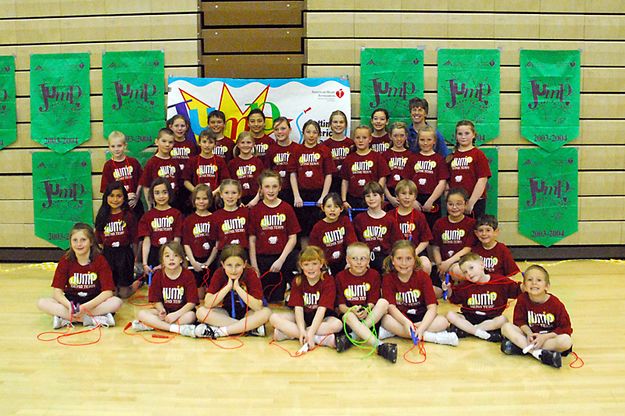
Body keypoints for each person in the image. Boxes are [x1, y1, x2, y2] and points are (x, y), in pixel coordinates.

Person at [37, 223, 122, 328]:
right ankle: (93, 319)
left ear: (91, 241)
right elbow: (57, 292)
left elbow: (107, 293)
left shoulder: (100, 260)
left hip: (93, 302)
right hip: (72, 302)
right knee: (42, 303)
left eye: (83, 240)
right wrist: (69, 306)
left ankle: (66, 319)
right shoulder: (65, 260)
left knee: (117, 302)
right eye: (75, 240)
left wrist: (85, 308)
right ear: (70, 242)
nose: (79, 244)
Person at [379, 240, 458, 346]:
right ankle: (432, 337)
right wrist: (406, 323)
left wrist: (421, 327)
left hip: (421, 318)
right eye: (399, 259)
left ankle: (398, 332)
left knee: (443, 322)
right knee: (385, 320)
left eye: (408, 259)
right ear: (393, 260)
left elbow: (432, 308)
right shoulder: (388, 278)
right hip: (400, 318)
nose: (404, 263)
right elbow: (391, 307)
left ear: (414, 260)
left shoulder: (423, 277)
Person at [334, 242, 397, 363]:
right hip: (351, 315)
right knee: (349, 316)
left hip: (369, 316)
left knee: (383, 302)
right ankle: (379, 346)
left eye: (363, 259)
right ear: (347, 260)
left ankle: (353, 336)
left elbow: (374, 300)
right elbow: (341, 305)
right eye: (354, 259)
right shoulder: (340, 277)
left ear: (368, 260)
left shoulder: (374, 275)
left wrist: (367, 309)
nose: (359, 262)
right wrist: (350, 310)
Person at [501, 265, 573, 369]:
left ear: (547, 286)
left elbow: (565, 328)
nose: (534, 283)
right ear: (524, 286)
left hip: (548, 338)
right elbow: (519, 321)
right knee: (505, 327)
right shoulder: (522, 299)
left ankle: (519, 348)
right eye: (530, 280)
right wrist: (529, 333)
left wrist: (544, 337)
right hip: (529, 337)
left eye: (539, 280)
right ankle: (539, 354)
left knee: (566, 341)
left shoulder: (556, 304)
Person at [269, 246, 342, 349]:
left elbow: (322, 309)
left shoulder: (328, 281)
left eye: (314, 264)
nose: (310, 268)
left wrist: (310, 332)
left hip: (322, 319)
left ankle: (291, 334)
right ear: (301, 266)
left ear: (321, 264)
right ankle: (318, 338)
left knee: (337, 325)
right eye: (306, 264)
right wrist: (302, 330)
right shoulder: (298, 281)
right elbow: (298, 308)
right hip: (303, 319)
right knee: (273, 318)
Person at [195, 245, 272, 338]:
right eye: (229, 265)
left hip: (248, 314)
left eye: (238, 265)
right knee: (201, 312)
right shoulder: (219, 273)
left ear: (244, 264)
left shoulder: (251, 274)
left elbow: (257, 306)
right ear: (223, 265)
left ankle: (223, 331)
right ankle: (248, 328)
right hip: (226, 315)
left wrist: (238, 288)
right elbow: (208, 303)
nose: (233, 270)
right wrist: (228, 287)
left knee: (266, 312)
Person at [443, 252, 521, 343]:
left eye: (471, 268)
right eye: (465, 272)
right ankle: (480, 333)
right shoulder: (464, 286)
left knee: (503, 320)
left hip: (491, 319)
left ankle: (469, 330)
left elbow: (517, 290)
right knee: (450, 315)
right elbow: (454, 299)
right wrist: (448, 290)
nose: (469, 273)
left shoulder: (500, 281)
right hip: (469, 318)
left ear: (482, 265)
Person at [249, 170, 301, 303]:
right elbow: (252, 240)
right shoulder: (255, 211)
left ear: (280, 187)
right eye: (267, 187)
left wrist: (281, 260)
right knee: (263, 299)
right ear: (261, 189)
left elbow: (293, 238)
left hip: (282, 258)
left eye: (274, 186)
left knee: (278, 300)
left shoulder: (287, 208)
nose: (271, 190)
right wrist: (254, 266)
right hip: (263, 259)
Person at [131, 241, 199, 337]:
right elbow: (155, 299)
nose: (171, 259)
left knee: (191, 316)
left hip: (182, 312)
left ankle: (155, 326)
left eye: (175, 255)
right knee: (142, 314)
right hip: (165, 312)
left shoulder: (188, 275)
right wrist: (161, 309)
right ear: (162, 260)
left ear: (181, 259)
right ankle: (174, 328)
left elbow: (192, 303)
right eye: (167, 256)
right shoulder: (158, 275)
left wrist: (176, 314)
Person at [94, 181, 140, 299]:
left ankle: (137, 282)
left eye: (119, 196)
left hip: (124, 254)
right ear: (106, 197)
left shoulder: (128, 216)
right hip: (108, 254)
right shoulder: (102, 215)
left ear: (124, 198)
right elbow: (98, 238)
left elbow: (135, 239)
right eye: (111, 196)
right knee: (112, 294)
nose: (115, 199)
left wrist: (135, 259)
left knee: (123, 294)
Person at [291, 120, 335, 240]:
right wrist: (296, 196)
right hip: (301, 194)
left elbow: (328, 174)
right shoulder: (296, 150)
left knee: (319, 229)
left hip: (319, 193)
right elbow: (293, 174)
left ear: (319, 134)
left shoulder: (324, 150)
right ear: (303, 133)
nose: (311, 135)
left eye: (314, 132)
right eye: (308, 132)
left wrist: (323, 197)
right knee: (303, 230)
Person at [353, 181, 403, 274]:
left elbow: (398, 243)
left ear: (382, 197)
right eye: (368, 196)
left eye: (375, 195)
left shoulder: (390, 219)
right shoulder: (359, 219)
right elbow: (356, 244)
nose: (371, 199)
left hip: (385, 260)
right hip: (365, 261)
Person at [138, 178, 184, 275]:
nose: (161, 196)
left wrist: (170, 259)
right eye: (157, 193)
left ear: (170, 193)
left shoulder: (177, 214)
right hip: (154, 254)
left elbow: (177, 240)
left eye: (164, 192)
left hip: (171, 253)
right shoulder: (147, 216)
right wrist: (145, 263)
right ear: (152, 195)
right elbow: (146, 241)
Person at [431, 188, 477, 283]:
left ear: (466, 204)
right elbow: (435, 246)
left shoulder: (471, 223)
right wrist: (440, 264)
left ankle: (460, 287)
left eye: (459, 204)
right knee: (437, 293)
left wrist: (449, 262)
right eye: (451, 204)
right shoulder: (439, 223)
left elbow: (467, 249)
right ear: (446, 204)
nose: (454, 207)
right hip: (443, 263)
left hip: (461, 263)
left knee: (458, 271)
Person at [448, 120, 491, 219]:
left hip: (475, 202)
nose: (463, 137)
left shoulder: (478, 155)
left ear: (474, 135)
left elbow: (482, 180)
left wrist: (471, 202)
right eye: (460, 134)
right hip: (455, 203)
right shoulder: (451, 156)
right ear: (456, 136)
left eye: (467, 133)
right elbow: (447, 181)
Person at [341, 125, 390, 210]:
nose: (361, 140)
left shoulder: (377, 157)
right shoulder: (349, 159)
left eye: (364, 137)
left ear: (370, 139)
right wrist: (344, 200)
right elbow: (345, 181)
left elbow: (383, 177)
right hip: (354, 200)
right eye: (357, 137)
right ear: (353, 139)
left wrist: (377, 195)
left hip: (372, 200)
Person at [309, 193, 358, 276]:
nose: (332, 210)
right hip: (326, 263)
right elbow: (314, 250)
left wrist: (350, 261)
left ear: (341, 209)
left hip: (344, 261)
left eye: (336, 207)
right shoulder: (318, 227)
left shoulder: (345, 221)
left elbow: (352, 242)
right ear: (322, 208)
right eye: (329, 206)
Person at [182, 184, 217, 299]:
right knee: (199, 296)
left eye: (205, 198)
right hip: (194, 261)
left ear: (210, 200)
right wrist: (192, 261)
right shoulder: (188, 220)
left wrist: (208, 262)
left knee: (210, 295)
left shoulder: (214, 219)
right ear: (193, 200)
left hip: (211, 261)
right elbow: (186, 243)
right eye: (198, 198)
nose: (201, 201)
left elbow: (216, 244)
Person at [412, 126, 449, 230]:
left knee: (432, 233)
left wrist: (431, 200)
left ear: (434, 141)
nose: (425, 143)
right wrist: (412, 200)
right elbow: (407, 183)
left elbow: (442, 183)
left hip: (433, 200)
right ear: (417, 141)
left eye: (429, 140)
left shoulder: (439, 159)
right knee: (416, 232)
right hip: (415, 200)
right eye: (422, 140)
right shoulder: (412, 158)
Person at [393, 179, 433, 277]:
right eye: (403, 193)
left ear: (415, 197)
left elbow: (425, 240)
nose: (407, 197)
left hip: (416, 252)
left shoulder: (419, 216)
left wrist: (414, 253)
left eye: (410, 194)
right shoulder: (390, 216)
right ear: (397, 197)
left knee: (426, 264)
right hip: (396, 253)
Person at [100, 131, 143, 218]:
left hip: (134, 204)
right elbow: (106, 190)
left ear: (125, 146)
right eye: (113, 146)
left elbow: (142, 180)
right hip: (118, 206)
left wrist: (137, 196)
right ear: (109, 147)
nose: (116, 149)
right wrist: (124, 198)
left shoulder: (133, 162)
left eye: (119, 146)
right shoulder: (108, 165)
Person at [139, 128, 182, 209]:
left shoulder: (175, 162)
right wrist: (149, 204)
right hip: (158, 203)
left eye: (170, 142)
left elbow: (179, 183)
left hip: (174, 203)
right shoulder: (151, 162)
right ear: (156, 141)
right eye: (164, 141)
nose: (167, 144)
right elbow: (146, 185)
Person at [183, 128, 229, 202]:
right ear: (199, 143)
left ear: (215, 144)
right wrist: (197, 192)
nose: (207, 145)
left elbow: (225, 181)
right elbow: (186, 181)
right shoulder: (192, 160)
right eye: (204, 142)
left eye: (210, 142)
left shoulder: (219, 161)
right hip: (197, 199)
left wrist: (214, 193)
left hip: (215, 198)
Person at [265, 117, 301, 203]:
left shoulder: (298, 148)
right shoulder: (271, 150)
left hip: (296, 193)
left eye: (283, 128)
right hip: (276, 192)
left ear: (290, 129)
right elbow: (267, 173)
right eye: (276, 129)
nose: (280, 132)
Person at [383, 122, 418, 207]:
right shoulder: (385, 155)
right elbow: (382, 180)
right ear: (390, 136)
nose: (399, 139)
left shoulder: (411, 155)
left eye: (402, 135)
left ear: (406, 136)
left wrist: (411, 198)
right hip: (390, 195)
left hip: (407, 195)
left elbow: (413, 179)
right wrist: (389, 197)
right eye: (395, 136)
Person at [210, 179, 249, 251]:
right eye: (226, 193)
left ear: (239, 195)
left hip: (244, 254)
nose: (230, 196)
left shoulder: (246, 213)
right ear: (221, 194)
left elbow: (251, 238)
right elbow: (216, 242)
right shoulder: (215, 216)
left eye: (234, 193)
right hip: (223, 255)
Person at [228, 131, 265, 206]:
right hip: (238, 200)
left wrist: (256, 199)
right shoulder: (232, 163)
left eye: (248, 142)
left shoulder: (258, 162)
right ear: (238, 144)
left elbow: (263, 183)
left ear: (253, 144)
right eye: (242, 142)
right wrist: (238, 201)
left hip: (256, 200)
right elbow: (230, 184)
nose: (245, 145)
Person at [321, 110, 353, 194]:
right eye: (335, 122)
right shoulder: (324, 145)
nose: (338, 125)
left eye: (341, 122)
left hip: (348, 183)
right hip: (331, 183)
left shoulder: (351, 144)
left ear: (346, 125)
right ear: (330, 125)